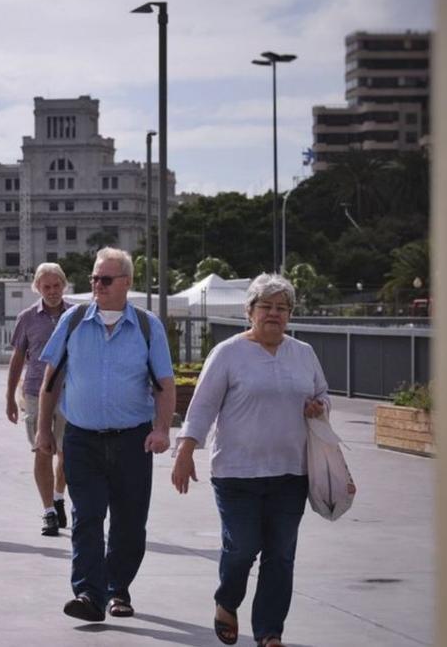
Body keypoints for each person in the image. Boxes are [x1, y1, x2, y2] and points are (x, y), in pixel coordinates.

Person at [171, 273, 331, 647]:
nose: (274, 314)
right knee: (241, 547)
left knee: (280, 555)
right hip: (237, 474)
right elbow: (203, 406)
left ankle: (269, 632)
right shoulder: (228, 353)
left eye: (282, 308)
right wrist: (185, 450)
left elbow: (323, 393)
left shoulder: (303, 353)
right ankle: (227, 600)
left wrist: (318, 405)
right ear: (249, 311)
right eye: (267, 307)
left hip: (291, 472)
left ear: (290, 314)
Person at [36, 247, 176, 623]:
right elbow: (52, 380)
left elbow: (164, 382)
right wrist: (43, 430)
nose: (97, 285)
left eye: (106, 279)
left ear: (127, 283)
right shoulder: (73, 320)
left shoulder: (148, 326)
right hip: (81, 438)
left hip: (133, 440)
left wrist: (162, 429)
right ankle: (89, 594)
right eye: (95, 278)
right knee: (87, 516)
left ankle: (119, 589)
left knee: (130, 523)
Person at [6, 262, 72, 536]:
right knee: (42, 449)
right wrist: (9, 396)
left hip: (72, 392)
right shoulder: (27, 318)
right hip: (36, 391)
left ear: (64, 286)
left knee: (68, 452)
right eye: (47, 287)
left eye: (57, 286)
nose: (53, 291)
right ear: (37, 288)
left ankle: (59, 496)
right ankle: (47, 512)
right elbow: (18, 358)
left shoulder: (77, 315)